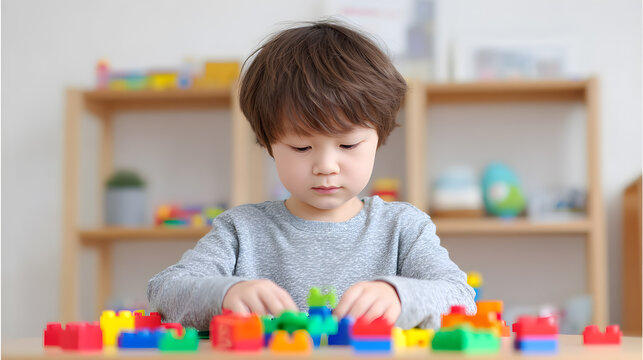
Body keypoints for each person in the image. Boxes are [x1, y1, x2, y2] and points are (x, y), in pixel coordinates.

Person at [147, 20, 475, 331]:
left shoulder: (403, 228)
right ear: (269, 144)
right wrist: (226, 294)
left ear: (379, 138)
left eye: (347, 144)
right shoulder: (242, 230)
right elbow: (165, 290)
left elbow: (460, 296)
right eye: (302, 148)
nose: (326, 166)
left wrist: (399, 296)